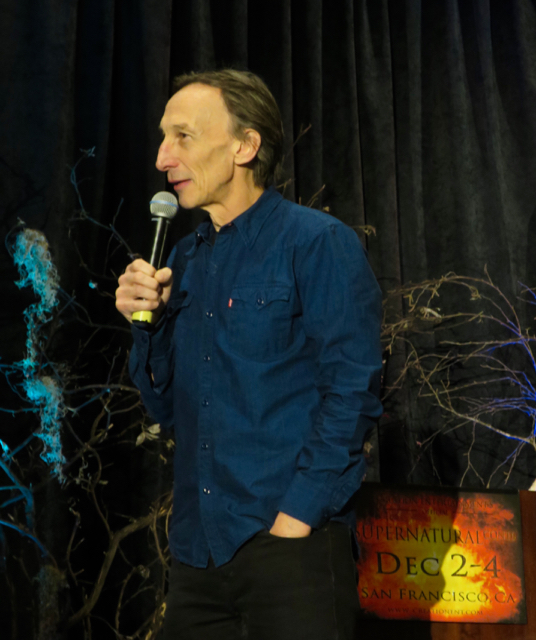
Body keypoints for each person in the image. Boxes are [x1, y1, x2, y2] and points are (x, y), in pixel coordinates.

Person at [115, 69, 382, 640]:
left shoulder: (317, 243)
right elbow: (165, 407)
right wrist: (146, 323)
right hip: (199, 554)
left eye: (183, 137)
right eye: (163, 138)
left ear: (245, 145)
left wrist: (298, 519)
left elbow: (352, 393)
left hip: (291, 549)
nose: (163, 158)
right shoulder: (183, 259)